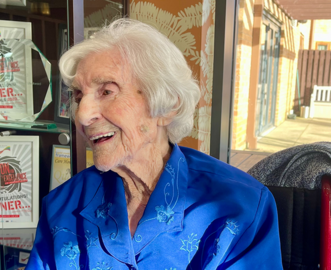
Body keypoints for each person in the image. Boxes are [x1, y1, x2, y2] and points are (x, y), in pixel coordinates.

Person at [27, 19, 282, 270]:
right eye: (78, 97)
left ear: (167, 105)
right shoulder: (61, 207)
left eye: (107, 91)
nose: (82, 115)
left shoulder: (241, 208)